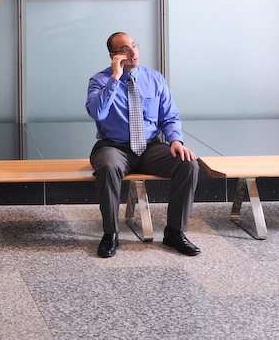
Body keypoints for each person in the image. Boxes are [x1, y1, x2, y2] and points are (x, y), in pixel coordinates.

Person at [85, 31, 200, 259]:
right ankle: (110, 234)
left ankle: (175, 232)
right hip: (114, 147)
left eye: (134, 45)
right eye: (125, 49)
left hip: (150, 148)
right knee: (108, 166)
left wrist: (175, 141)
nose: (133, 52)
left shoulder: (154, 78)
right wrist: (115, 78)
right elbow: (97, 112)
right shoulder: (100, 80)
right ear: (113, 55)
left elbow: (170, 116)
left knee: (188, 164)